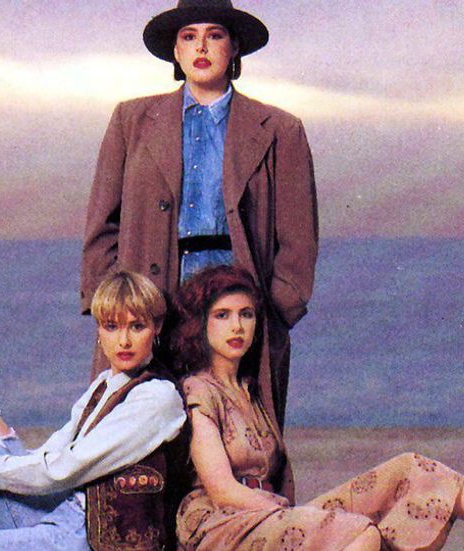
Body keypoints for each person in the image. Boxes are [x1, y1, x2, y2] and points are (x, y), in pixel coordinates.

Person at [170, 265, 464, 551]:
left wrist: (292, 515)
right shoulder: (198, 390)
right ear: (201, 326)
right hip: (223, 529)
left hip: (272, 520)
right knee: (361, 534)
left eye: (246, 314)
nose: (238, 326)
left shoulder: (252, 389)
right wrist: (289, 512)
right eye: (222, 316)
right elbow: (222, 489)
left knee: (418, 470)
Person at [81, 0, 318, 432]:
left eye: (215, 35)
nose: (201, 47)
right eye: (189, 36)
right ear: (176, 50)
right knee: (140, 439)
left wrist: (273, 314)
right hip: (149, 302)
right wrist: (111, 310)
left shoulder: (280, 130)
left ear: (235, 46)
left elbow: (299, 241)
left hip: (237, 307)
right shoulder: (131, 121)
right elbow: (102, 225)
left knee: (240, 438)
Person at [0, 271, 187, 550]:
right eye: (112, 326)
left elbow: (63, 468)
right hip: (62, 512)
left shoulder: (157, 398)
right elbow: (50, 454)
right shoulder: (105, 383)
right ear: (99, 329)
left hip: (83, 539)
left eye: (137, 326)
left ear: (157, 327)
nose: (124, 341)